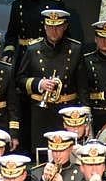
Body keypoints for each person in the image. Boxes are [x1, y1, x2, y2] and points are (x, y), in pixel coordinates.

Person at [14, 9, 84, 150]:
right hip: (41, 114)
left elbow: (82, 86)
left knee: (67, 154)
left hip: (68, 113)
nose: (54, 31)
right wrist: (39, 84)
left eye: (58, 27)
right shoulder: (33, 49)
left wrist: (85, 117)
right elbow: (20, 79)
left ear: (64, 26)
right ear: (45, 26)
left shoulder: (75, 48)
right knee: (42, 155)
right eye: (50, 27)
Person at [4, 0, 69, 58]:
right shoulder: (18, 5)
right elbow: (11, 34)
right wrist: (8, 53)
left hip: (48, 54)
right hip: (24, 55)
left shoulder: (54, 4)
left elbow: (65, 33)